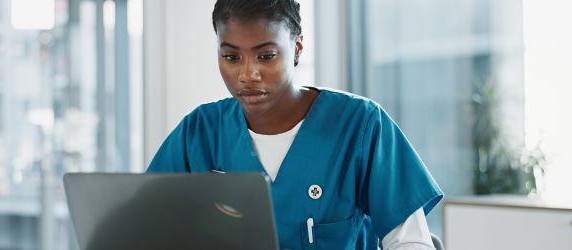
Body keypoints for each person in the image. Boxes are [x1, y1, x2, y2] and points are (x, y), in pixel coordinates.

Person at [147, 0, 443, 249]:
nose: (248, 74)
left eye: (266, 56)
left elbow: (410, 241)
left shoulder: (360, 125)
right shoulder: (199, 131)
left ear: (297, 48)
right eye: (231, 57)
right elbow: (142, 225)